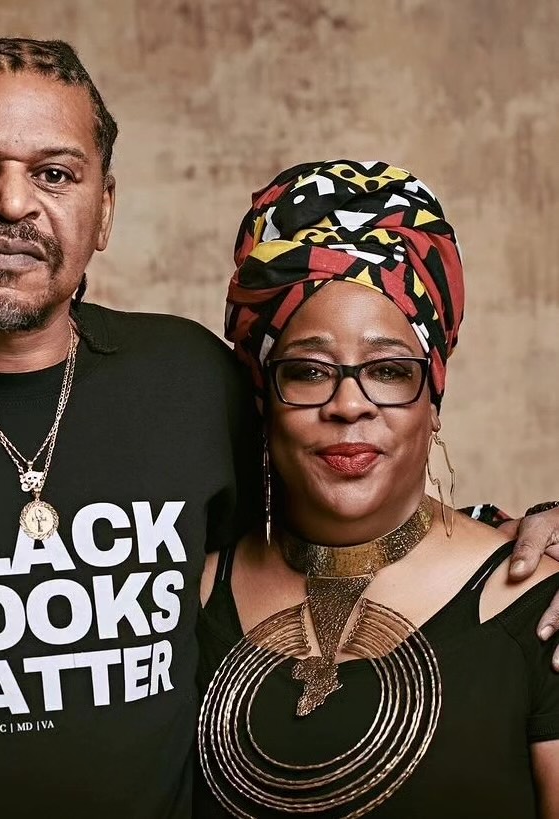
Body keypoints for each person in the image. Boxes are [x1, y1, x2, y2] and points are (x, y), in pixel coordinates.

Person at [0, 37, 557, 818]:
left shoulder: (189, 382)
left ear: (104, 210)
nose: (11, 202)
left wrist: (516, 542)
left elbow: (337, 491)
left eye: (54, 173)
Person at [197, 160, 559, 818]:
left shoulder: (537, 606)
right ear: (262, 392)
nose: (347, 404)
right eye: (307, 370)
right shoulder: (176, 604)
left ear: (433, 396)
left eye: (389, 370)